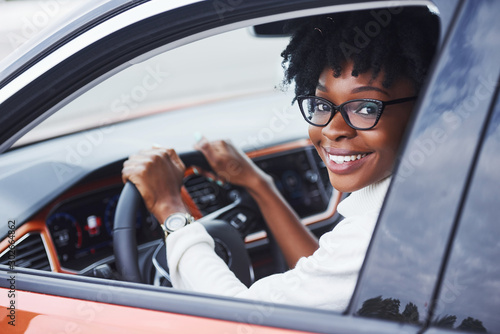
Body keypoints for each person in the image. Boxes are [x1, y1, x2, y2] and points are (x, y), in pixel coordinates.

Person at [122, 7, 438, 311]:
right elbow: (322, 284)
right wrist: (258, 185)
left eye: (366, 108)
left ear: (426, 106)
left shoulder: (377, 234)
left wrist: (172, 212)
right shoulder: (433, 189)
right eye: (320, 104)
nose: (332, 129)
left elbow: (238, 316)